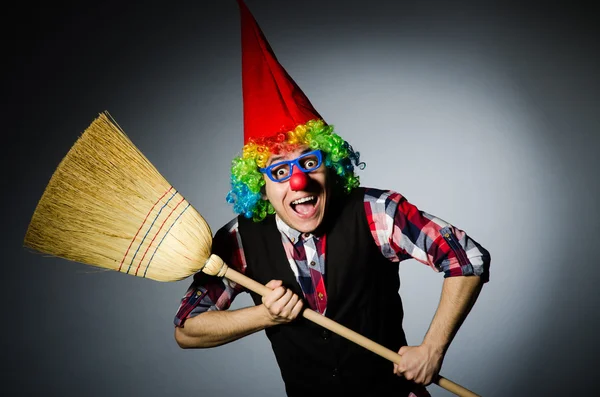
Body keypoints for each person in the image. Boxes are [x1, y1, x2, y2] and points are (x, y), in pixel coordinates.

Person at [173, 1, 490, 396]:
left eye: (310, 161)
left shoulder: (375, 213)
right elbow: (187, 330)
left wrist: (432, 349)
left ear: (331, 166)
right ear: (261, 183)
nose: (300, 182)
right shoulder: (239, 240)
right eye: (280, 170)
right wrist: (263, 315)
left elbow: (467, 257)